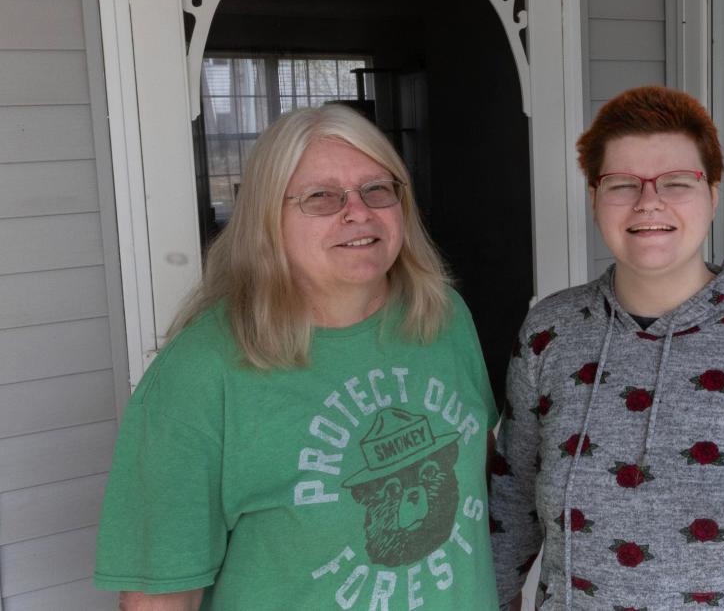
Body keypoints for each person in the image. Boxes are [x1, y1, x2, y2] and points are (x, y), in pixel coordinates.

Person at [94, 105, 498, 610]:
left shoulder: (441, 315)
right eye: (321, 197)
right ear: (268, 217)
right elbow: (160, 598)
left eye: (377, 189)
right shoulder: (199, 375)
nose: (358, 212)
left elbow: (475, 468)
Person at [490, 86, 724, 609]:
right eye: (622, 183)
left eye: (676, 181)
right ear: (595, 198)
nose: (649, 201)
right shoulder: (549, 334)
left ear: (713, 194)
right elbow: (511, 504)